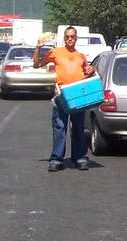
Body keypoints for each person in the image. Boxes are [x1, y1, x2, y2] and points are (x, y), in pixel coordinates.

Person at [33, 26, 95, 172]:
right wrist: (38, 48)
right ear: (64, 38)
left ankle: (79, 158)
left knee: (78, 128)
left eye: (72, 37)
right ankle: (56, 159)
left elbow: (87, 73)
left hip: (77, 96)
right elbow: (37, 64)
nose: (70, 39)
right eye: (67, 37)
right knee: (59, 127)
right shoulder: (56, 52)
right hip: (61, 95)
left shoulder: (81, 56)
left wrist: (91, 70)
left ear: (76, 38)